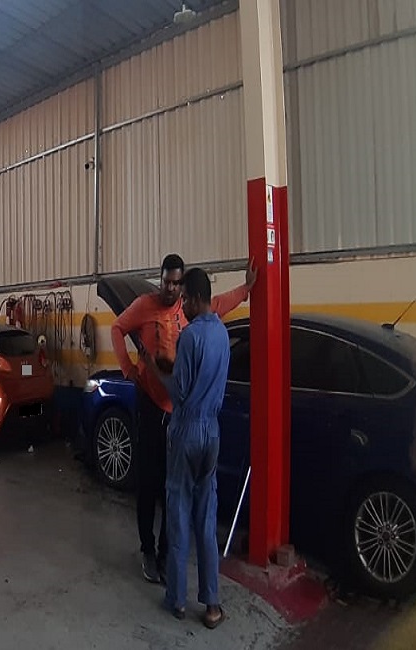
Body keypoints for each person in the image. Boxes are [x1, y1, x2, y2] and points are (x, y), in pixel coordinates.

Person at [111, 254, 255, 584]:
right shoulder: (144, 305)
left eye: (177, 284)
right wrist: (128, 369)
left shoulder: (188, 309)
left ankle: (165, 554)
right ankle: (148, 549)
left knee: (171, 488)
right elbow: (117, 328)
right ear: (160, 279)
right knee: (148, 482)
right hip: (150, 406)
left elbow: (219, 304)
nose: (171, 289)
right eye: (167, 282)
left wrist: (246, 288)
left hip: (176, 413)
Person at [143, 267, 232, 628]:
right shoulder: (222, 333)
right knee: (206, 518)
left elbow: (178, 393)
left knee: (178, 512)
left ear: (195, 298)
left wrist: (154, 368)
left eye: (185, 301)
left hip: (187, 431)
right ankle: (212, 605)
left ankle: (177, 600)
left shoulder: (190, 335)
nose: (182, 306)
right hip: (212, 431)